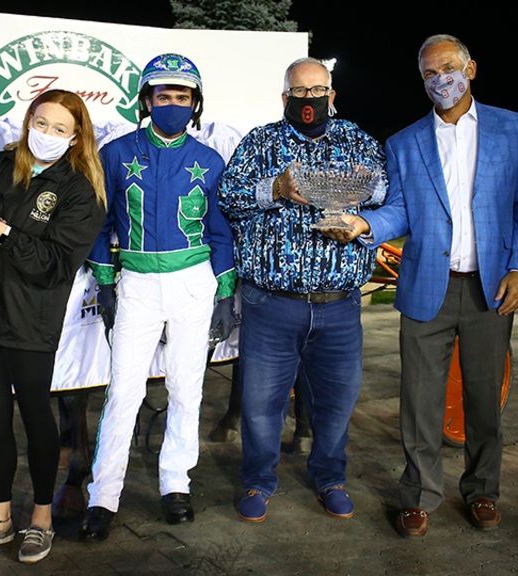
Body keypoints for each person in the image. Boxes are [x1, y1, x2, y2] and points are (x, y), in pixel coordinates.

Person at [343, 35, 518, 537]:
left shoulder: (513, 128)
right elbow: (401, 210)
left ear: (471, 68)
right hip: (428, 284)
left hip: (490, 288)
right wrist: (367, 226)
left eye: (448, 68)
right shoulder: (404, 142)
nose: (439, 80)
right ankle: (419, 494)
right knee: (420, 400)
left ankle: (483, 490)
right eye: (429, 73)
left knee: (483, 400)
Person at [218, 57, 386, 522]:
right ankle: (258, 480)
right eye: (299, 91)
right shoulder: (261, 141)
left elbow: (386, 191)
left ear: (331, 95)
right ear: (285, 96)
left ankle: (330, 477)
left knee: (336, 402)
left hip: (339, 304)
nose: (308, 100)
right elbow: (228, 197)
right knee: (260, 404)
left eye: (317, 92)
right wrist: (275, 187)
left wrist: (353, 189)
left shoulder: (357, 140)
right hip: (271, 303)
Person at [80, 53, 237, 540]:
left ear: (195, 104)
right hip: (138, 285)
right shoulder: (115, 152)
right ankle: (103, 496)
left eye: (182, 96)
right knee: (123, 391)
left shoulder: (210, 160)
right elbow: (100, 222)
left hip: (194, 284)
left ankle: (176, 484)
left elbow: (221, 232)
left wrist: (224, 295)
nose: (172, 103)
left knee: (187, 389)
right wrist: (105, 283)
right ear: (146, 100)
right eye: (163, 95)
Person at [0, 90, 106, 563]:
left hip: (32, 319)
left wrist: (4, 233)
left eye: (60, 129)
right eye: (40, 123)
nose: (47, 134)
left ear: (76, 136)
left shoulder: (81, 188)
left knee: (37, 417)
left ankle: (41, 520)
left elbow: (57, 265)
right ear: (27, 121)